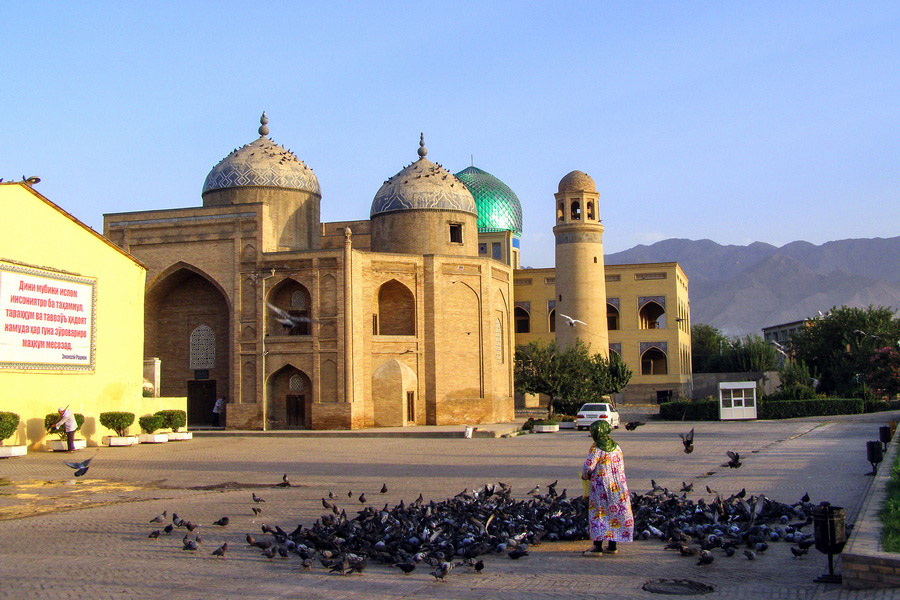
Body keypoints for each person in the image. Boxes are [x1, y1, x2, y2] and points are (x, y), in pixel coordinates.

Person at [581, 419, 634, 555]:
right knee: (615, 512)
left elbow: (589, 466)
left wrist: (585, 475)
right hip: (618, 486)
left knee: (599, 513)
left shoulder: (596, 447)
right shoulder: (617, 447)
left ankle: (597, 547)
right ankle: (612, 545)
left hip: (601, 486)